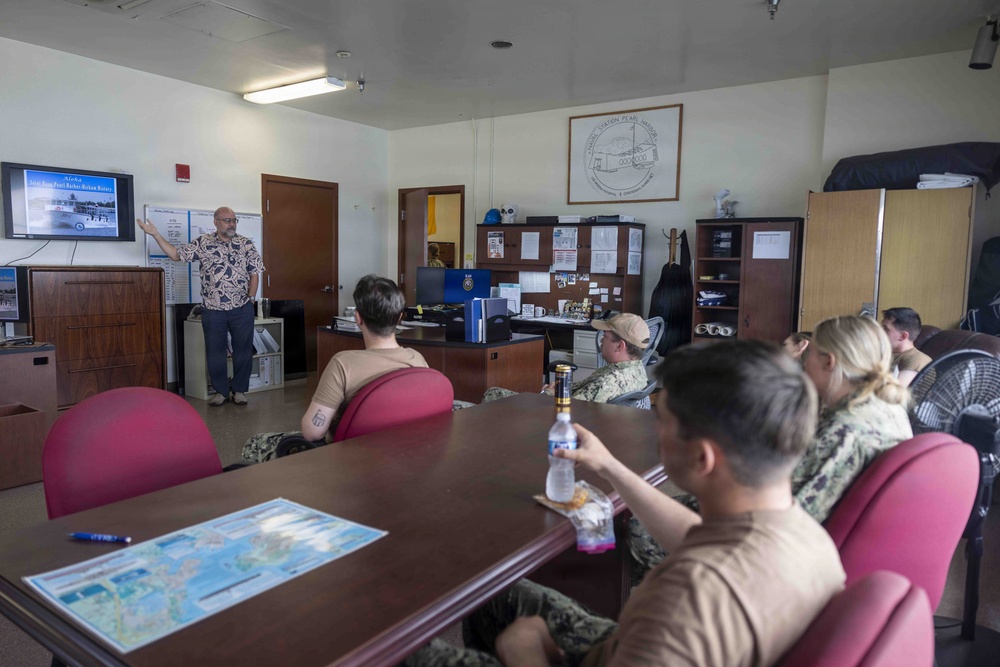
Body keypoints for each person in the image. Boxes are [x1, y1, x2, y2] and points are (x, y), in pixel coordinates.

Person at [405, 340, 845, 667]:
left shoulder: (690, 596)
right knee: (493, 596)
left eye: (663, 421)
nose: (656, 431)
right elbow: (695, 535)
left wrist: (527, 652)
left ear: (702, 457)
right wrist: (610, 466)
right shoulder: (804, 536)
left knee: (403, 654)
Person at [630, 314, 912, 579]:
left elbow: (787, 516)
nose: (805, 362)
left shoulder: (845, 430)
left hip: (773, 548)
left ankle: (677, 594)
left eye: (811, 354)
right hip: (813, 533)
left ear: (829, 362)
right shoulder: (885, 404)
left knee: (639, 524)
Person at [241, 275, 427, 462]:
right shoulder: (417, 359)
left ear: (358, 318)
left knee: (255, 443)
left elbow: (312, 432)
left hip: (349, 458)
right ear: (400, 317)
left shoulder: (343, 364)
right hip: (402, 453)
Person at [138, 209, 264, 406]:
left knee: (243, 352)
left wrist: (250, 299)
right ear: (216, 222)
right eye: (227, 220)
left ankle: (239, 390)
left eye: (234, 220)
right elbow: (175, 255)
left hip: (241, 308)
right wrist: (155, 234)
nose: (232, 224)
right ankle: (221, 392)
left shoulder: (246, 244)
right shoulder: (203, 243)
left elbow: (255, 272)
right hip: (212, 309)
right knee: (215, 352)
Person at [482, 313, 650, 404]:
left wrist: (548, 393)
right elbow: (585, 393)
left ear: (620, 345)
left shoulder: (608, 382)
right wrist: (560, 388)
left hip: (546, 419)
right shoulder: (637, 369)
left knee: (492, 393)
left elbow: (570, 411)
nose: (601, 340)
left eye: (605, 336)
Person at [881, 307, 932, 386]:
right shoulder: (885, 354)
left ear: (903, 336)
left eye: (885, 329)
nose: (879, 332)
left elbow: (894, 392)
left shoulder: (917, 360)